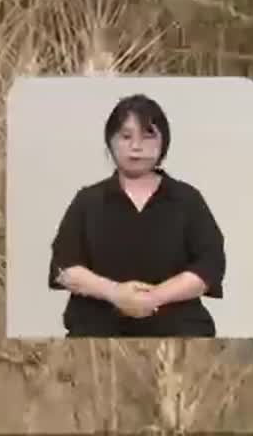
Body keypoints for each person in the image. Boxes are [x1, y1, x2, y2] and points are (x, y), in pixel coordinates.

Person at [48, 93, 226, 337]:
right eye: (126, 136)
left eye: (148, 135)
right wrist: (115, 294)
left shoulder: (187, 199)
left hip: (179, 332)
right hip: (96, 333)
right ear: (110, 142)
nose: (136, 146)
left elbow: (210, 264)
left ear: (164, 141)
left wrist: (154, 298)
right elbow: (64, 267)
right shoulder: (88, 201)